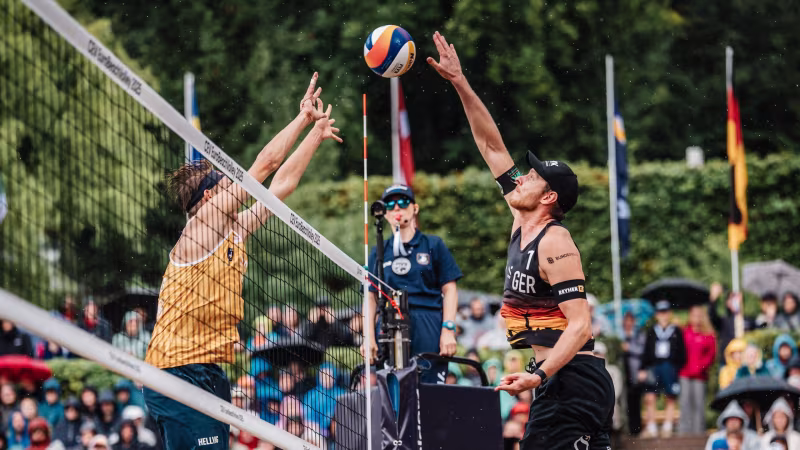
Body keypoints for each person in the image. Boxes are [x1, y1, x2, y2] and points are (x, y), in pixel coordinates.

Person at [428, 31, 613, 448]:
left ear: (548, 197)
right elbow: (491, 145)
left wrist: (539, 375)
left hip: (573, 383)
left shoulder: (554, 241)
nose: (522, 176)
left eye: (532, 175)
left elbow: (581, 324)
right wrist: (460, 82)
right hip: (559, 381)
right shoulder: (521, 217)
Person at [142, 73, 339, 450]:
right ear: (209, 196)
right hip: (175, 371)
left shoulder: (234, 230)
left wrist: (314, 135)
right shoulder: (201, 225)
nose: (231, 186)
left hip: (208, 370)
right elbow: (264, 165)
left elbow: (280, 187)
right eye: (221, 182)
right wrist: (301, 118)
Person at [362, 184, 463, 384]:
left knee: (429, 390)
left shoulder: (433, 244)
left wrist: (448, 329)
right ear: (385, 212)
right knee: (393, 394)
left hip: (428, 320)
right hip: (390, 322)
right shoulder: (379, 251)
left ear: (415, 208)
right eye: (390, 204)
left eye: (403, 202)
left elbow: (450, 288)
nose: (397, 208)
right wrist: (368, 337)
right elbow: (371, 296)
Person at [639, 300, 686, 438]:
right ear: (656, 315)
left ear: (669, 314)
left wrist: (678, 367)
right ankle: (652, 426)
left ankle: (668, 426)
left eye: (665, 312)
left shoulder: (676, 330)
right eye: (660, 312)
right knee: (650, 396)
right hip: (653, 366)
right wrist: (642, 368)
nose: (663, 315)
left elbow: (682, 351)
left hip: (670, 366)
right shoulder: (652, 330)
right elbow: (646, 351)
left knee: (670, 396)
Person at [679, 304, 716, 435]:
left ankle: (698, 433)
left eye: (699, 315)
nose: (697, 318)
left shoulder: (708, 335)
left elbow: (711, 354)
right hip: (684, 374)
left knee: (698, 405)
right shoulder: (684, 333)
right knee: (685, 404)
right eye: (694, 315)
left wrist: (701, 367)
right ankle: (683, 434)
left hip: (700, 376)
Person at [709, 284, 754, 360]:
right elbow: (712, 315)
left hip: (745, 361)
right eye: (732, 298)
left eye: (737, 297)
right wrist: (713, 300)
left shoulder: (749, 320)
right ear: (727, 303)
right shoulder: (723, 321)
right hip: (727, 362)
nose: (735, 300)